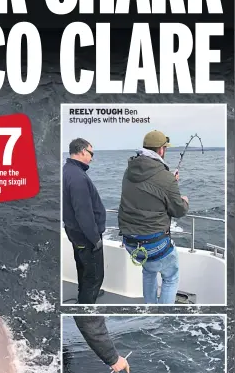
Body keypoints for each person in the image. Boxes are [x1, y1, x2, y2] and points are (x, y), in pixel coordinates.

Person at [118, 130, 189, 304]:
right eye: (165, 147)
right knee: (171, 276)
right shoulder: (165, 179)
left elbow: (147, 191)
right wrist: (183, 200)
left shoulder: (129, 171)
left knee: (149, 271)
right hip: (154, 244)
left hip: (131, 243)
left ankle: (150, 309)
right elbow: (178, 210)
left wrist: (170, 183)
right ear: (161, 150)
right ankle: (164, 316)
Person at [62, 139, 107, 304]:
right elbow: (84, 213)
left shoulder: (68, 170)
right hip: (86, 238)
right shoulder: (78, 177)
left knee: (83, 269)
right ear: (82, 152)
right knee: (95, 276)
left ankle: (85, 295)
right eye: (91, 154)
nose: (92, 158)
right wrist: (95, 239)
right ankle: (86, 305)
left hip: (76, 234)